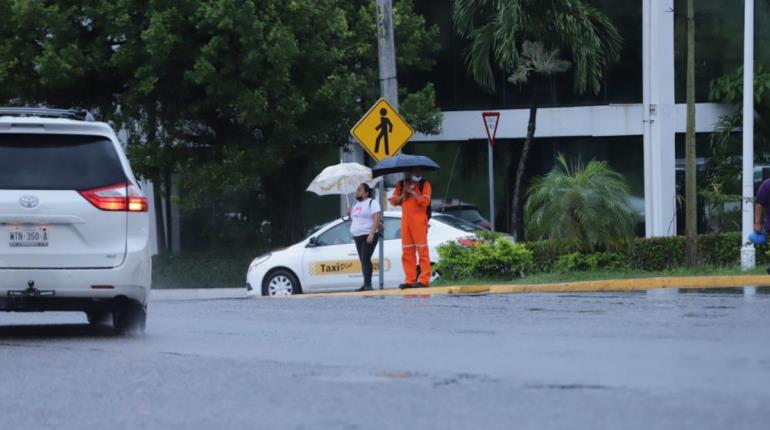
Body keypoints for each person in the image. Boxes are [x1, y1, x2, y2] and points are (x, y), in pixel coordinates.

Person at [389, 167, 432, 288]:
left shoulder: (425, 184)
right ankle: (410, 280)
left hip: (419, 221)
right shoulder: (401, 184)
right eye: (416, 171)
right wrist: (404, 194)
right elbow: (393, 201)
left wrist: (413, 192)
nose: (418, 173)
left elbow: (425, 202)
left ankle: (424, 280)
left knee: (422, 251)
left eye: (420, 171)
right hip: (406, 222)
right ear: (410, 172)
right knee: (407, 251)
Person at [350, 183, 382, 291]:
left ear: (366, 193)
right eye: (357, 190)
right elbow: (357, 220)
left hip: (367, 235)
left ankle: (368, 285)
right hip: (357, 236)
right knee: (362, 261)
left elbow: (377, 218)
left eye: (359, 190)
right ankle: (365, 283)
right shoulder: (356, 205)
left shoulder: (372, 203)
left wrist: (372, 233)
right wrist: (350, 213)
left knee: (365, 259)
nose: (357, 192)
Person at [754, 178, 770, 274]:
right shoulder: (767, 184)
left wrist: (757, 224)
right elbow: (759, 204)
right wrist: (757, 223)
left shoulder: (767, 184)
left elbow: (759, 204)